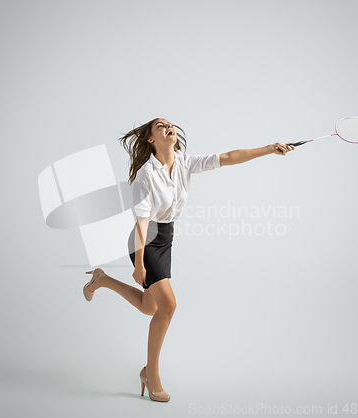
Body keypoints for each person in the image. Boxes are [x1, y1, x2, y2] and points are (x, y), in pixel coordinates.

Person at [82, 118, 295, 402]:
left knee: (150, 307)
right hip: (144, 241)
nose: (168, 127)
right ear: (151, 139)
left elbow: (229, 157)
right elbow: (142, 224)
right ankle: (151, 373)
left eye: (169, 124)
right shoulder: (146, 175)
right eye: (160, 126)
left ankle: (103, 279)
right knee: (168, 307)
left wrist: (270, 148)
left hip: (166, 236)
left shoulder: (185, 162)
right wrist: (140, 264)